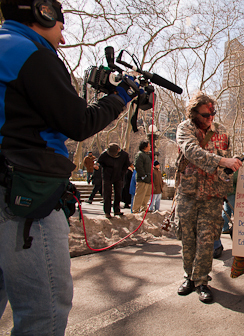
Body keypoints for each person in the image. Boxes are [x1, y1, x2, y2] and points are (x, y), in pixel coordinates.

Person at [0, 0, 135, 333]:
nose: (63, 35)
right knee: (43, 310)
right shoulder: (29, 52)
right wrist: (121, 96)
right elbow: (77, 122)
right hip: (25, 198)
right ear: (42, 12)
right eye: (61, 22)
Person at [175, 92, 242, 304]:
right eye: (205, 114)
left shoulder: (221, 131)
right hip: (188, 192)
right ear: (194, 113)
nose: (210, 118)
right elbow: (191, 151)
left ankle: (202, 281)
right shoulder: (184, 128)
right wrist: (223, 161)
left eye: (213, 113)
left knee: (206, 239)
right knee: (188, 237)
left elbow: (227, 161)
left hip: (213, 194)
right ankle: (189, 277)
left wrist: (230, 172)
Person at [97, 143, 131, 218]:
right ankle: (107, 211)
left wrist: (122, 172)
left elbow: (127, 165)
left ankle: (117, 210)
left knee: (118, 194)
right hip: (107, 176)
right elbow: (99, 163)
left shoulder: (124, 155)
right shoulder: (104, 154)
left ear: (118, 150)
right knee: (107, 194)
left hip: (118, 176)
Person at [132, 140, 152, 213]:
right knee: (140, 195)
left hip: (148, 179)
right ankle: (136, 210)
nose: (150, 147)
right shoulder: (140, 155)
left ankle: (144, 208)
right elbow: (138, 166)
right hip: (142, 179)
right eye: (149, 145)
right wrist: (143, 175)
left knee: (146, 196)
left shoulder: (147, 155)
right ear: (145, 146)